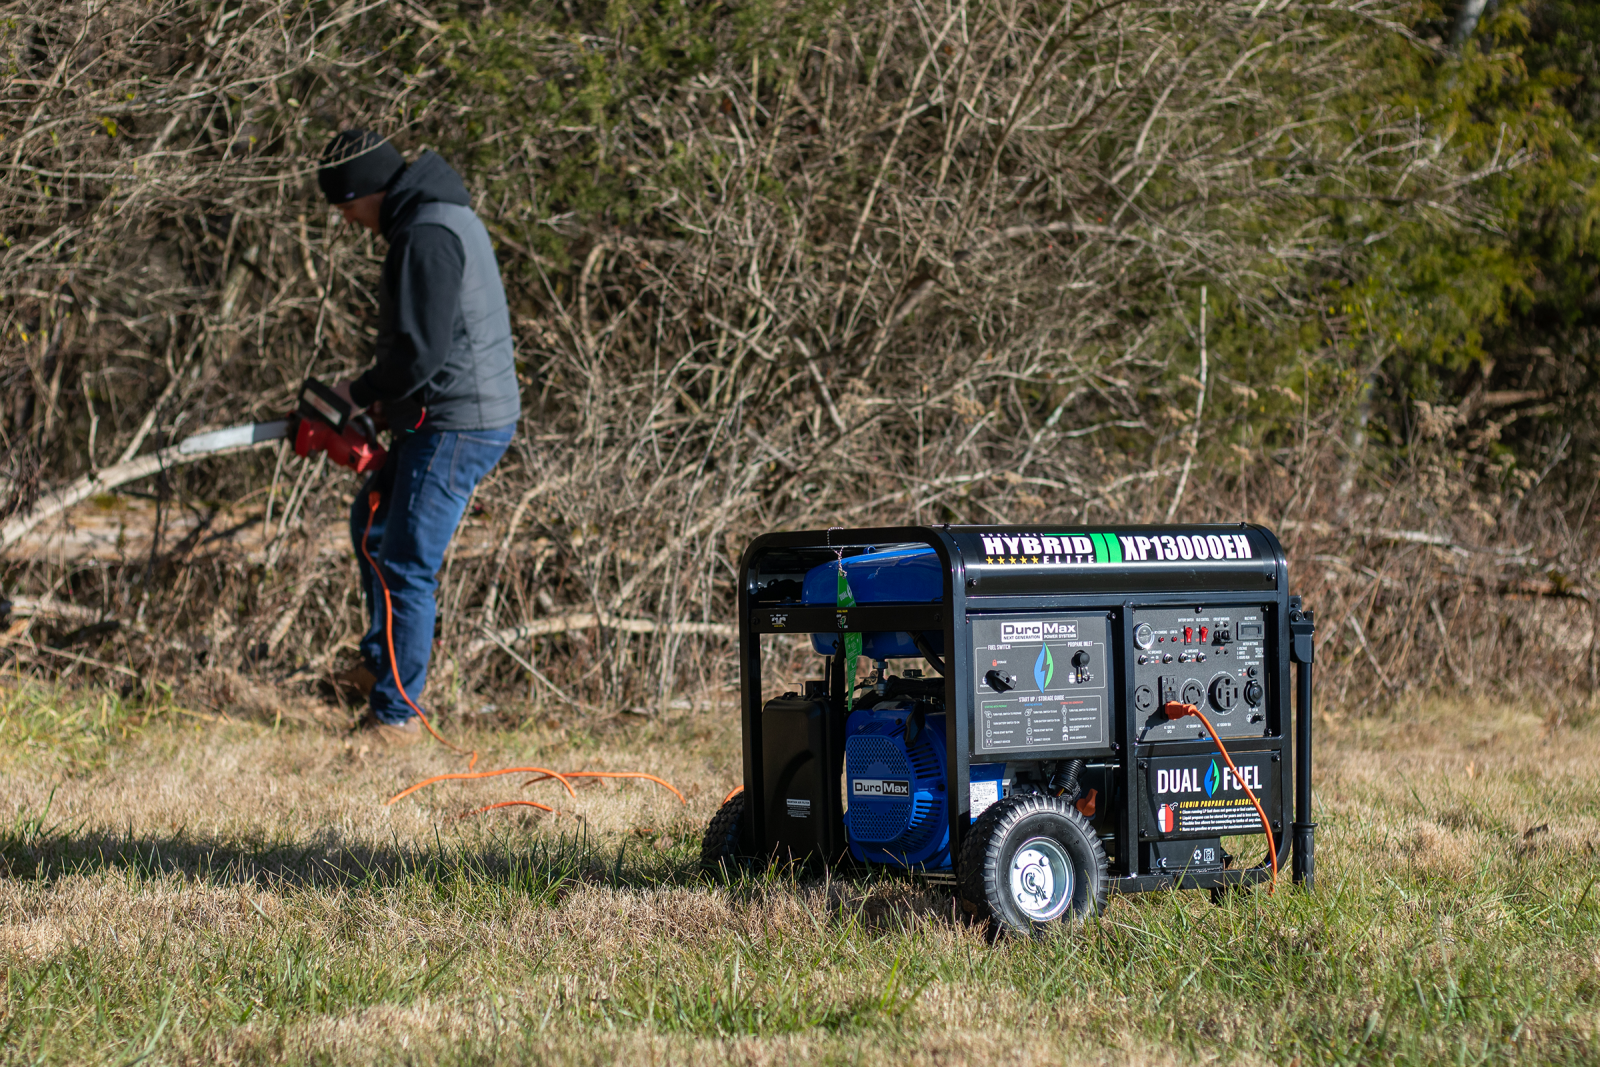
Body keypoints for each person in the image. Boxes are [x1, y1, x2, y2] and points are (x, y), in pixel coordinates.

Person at [315, 129, 520, 744]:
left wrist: (365, 390)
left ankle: (397, 719)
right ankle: (380, 666)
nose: (349, 222)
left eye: (347, 208)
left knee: (405, 561)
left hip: (460, 422)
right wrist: (386, 400)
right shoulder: (434, 216)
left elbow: (419, 352)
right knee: (370, 523)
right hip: (444, 412)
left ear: (368, 190)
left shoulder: (426, 233)